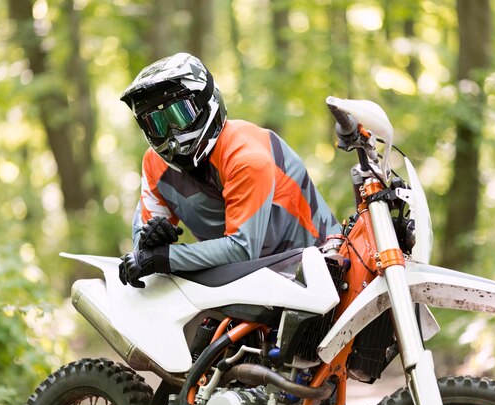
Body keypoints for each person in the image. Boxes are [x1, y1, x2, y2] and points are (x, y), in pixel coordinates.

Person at [118, 52, 341, 288]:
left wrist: (164, 257)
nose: (171, 134)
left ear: (205, 102)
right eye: (157, 123)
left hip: (324, 265)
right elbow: (142, 253)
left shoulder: (246, 157)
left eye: (180, 115)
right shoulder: (155, 164)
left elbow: (242, 249)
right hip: (247, 280)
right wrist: (149, 241)